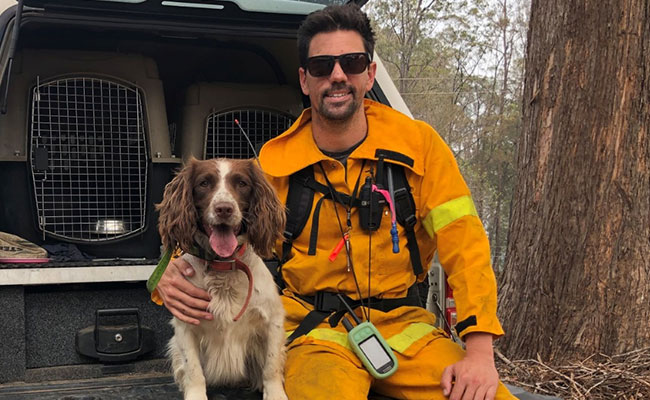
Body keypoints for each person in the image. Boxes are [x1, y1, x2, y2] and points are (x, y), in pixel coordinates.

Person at [154, 4, 515, 400]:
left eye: (352, 62)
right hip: (315, 335)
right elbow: (212, 235)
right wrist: (165, 277)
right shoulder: (273, 165)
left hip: (408, 331)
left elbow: (466, 247)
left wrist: (479, 352)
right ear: (305, 80)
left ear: (370, 73)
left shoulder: (419, 147)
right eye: (322, 65)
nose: (338, 75)